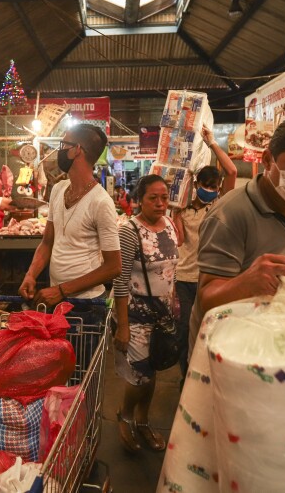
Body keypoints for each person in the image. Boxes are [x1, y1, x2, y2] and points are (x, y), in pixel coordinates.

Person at [189, 113, 285, 352]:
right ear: (269, 160)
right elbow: (206, 298)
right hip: (236, 354)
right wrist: (245, 283)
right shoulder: (229, 215)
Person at [19, 124, 121, 354]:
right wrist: (31, 274)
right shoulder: (58, 189)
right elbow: (47, 242)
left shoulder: (101, 202)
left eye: (63, 144)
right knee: (59, 377)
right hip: (58, 304)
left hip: (86, 307)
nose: (59, 150)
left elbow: (114, 267)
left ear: (77, 150)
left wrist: (62, 290)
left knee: (81, 378)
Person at [112, 175, 182, 452]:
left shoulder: (170, 225)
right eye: (153, 198)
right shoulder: (129, 231)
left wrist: (173, 303)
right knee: (139, 375)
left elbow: (172, 270)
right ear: (139, 199)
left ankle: (143, 421)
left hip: (162, 314)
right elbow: (119, 279)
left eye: (164, 197)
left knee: (152, 371)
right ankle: (125, 415)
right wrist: (123, 327)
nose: (160, 203)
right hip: (135, 313)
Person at [171, 126, 238, 379]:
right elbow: (178, 241)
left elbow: (231, 171)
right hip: (184, 279)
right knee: (185, 330)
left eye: (215, 186)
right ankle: (186, 377)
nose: (210, 189)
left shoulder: (221, 204)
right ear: (196, 184)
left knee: (211, 329)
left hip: (212, 278)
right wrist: (174, 214)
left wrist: (211, 143)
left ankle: (208, 374)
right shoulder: (183, 209)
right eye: (206, 185)